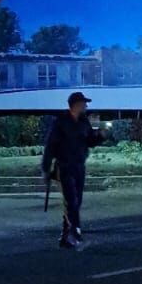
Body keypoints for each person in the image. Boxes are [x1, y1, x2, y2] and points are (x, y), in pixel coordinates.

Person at [42, 92, 103, 249]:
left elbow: (89, 141)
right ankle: (75, 235)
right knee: (71, 202)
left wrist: (99, 136)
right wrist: (46, 167)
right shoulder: (61, 122)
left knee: (76, 202)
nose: (86, 106)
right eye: (84, 103)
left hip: (79, 166)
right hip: (64, 166)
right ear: (76, 104)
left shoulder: (83, 121)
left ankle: (66, 237)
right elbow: (50, 145)